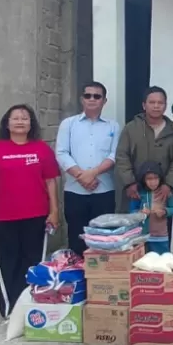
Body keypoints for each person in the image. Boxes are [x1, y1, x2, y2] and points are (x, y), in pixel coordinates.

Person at [0, 104, 61, 319]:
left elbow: (51, 182)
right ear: (7, 123)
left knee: (33, 263)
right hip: (3, 218)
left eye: (25, 118)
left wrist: (54, 211)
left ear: (31, 123)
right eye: (15, 118)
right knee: (8, 263)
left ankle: (32, 304)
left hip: (37, 216)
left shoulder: (42, 149)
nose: (20, 121)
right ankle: (10, 309)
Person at [55, 81, 121, 256]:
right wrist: (81, 176)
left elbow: (115, 155)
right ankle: (79, 279)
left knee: (104, 240)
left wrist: (93, 173)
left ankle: (101, 280)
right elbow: (61, 152)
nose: (92, 99)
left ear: (104, 101)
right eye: (88, 95)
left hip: (104, 191)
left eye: (97, 96)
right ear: (81, 99)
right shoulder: (68, 124)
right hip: (75, 191)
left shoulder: (113, 126)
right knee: (77, 238)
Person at [115, 86, 173, 231]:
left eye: (160, 103)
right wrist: (129, 183)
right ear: (144, 105)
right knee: (135, 234)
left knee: (161, 233)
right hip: (136, 191)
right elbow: (122, 156)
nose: (156, 106)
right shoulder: (131, 128)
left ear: (165, 106)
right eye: (152, 102)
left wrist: (168, 184)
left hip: (161, 192)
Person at [129, 162, 173, 254]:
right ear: (143, 179)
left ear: (160, 178)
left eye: (156, 178)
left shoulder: (165, 192)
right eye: (149, 179)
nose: (153, 182)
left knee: (162, 261)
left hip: (161, 235)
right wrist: (140, 213)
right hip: (142, 235)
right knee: (144, 262)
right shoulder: (139, 193)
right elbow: (132, 211)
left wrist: (164, 211)